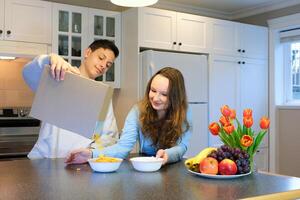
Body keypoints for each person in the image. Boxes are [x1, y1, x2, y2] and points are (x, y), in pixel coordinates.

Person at [65, 67, 192, 165]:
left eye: (164, 94)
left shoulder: (184, 113)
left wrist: (168, 154)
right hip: (145, 168)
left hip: (171, 167)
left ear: (175, 97)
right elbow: (123, 147)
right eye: (153, 91)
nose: (156, 98)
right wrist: (91, 154)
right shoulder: (138, 111)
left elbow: (182, 146)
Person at [23, 39, 120, 159]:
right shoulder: (59, 75)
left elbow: (109, 135)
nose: (103, 66)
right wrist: (50, 58)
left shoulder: (103, 96)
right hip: (45, 159)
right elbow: (27, 73)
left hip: (77, 163)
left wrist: (90, 152)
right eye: (101, 58)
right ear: (88, 52)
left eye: (108, 65)